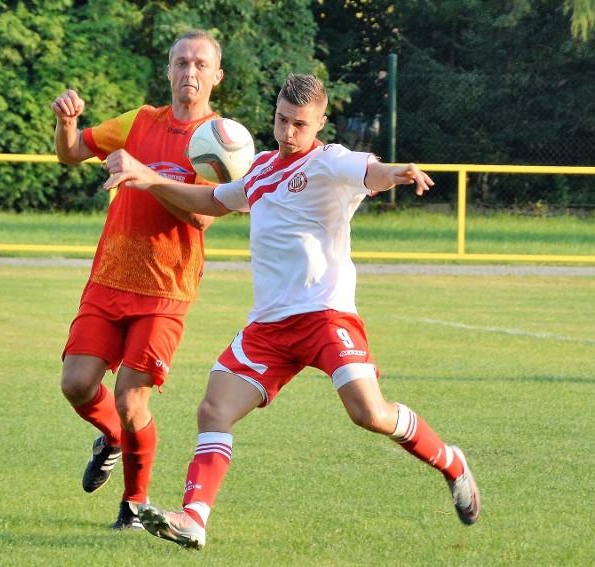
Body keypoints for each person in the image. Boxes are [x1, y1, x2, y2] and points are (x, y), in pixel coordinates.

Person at [103, 73, 480, 550]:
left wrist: (396, 173)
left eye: (299, 124)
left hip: (326, 315)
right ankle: (194, 519)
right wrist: (151, 178)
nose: (287, 133)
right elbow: (212, 201)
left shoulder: (331, 161)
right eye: (281, 120)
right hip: (269, 325)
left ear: (320, 122)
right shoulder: (259, 169)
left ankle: (451, 461)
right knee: (214, 408)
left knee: (368, 412)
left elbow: (371, 171)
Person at [49, 30, 225, 531]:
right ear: (169, 70)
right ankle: (111, 439)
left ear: (216, 76)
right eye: (180, 62)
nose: (188, 72)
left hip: (167, 288)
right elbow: (70, 153)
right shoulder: (139, 121)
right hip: (109, 278)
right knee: (77, 384)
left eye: (199, 65)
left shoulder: (221, 140)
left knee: (130, 398)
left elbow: (203, 217)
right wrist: (67, 124)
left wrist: (144, 173)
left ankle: (133, 503)